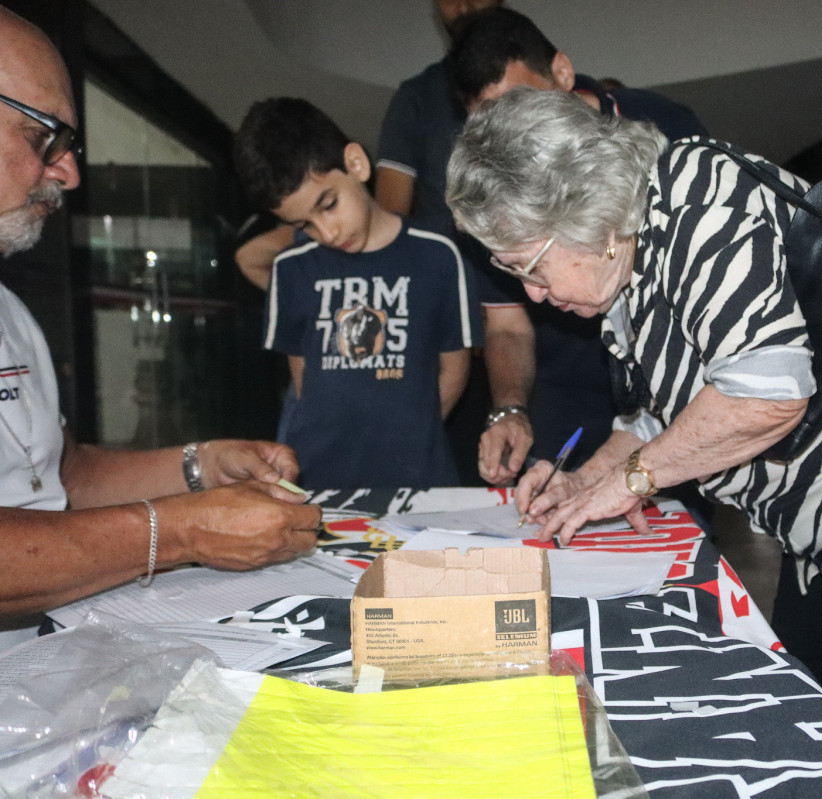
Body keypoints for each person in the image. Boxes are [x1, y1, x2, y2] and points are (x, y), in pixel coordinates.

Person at [446, 88, 822, 799]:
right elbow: (655, 418)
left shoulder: (700, 196)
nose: (533, 293)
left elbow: (766, 393)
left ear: (580, 212)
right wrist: (584, 481)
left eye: (527, 265)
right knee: (813, 719)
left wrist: (631, 482)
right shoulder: (622, 275)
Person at [0, 8, 321, 625]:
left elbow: (64, 474)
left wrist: (201, 466)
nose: (69, 172)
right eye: (44, 138)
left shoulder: (11, 312)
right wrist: (179, 531)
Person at [446, 5, 707, 484]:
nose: (508, 140)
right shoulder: (492, 191)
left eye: (520, 106)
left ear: (562, 73)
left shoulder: (675, 142)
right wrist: (513, 411)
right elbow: (507, 325)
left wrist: (626, 482)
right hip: (570, 392)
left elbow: (757, 391)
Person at [232, 97, 478, 490]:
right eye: (304, 225)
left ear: (356, 164)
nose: (327, 233)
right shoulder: (291, 269)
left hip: (418, 476)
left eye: (328, 205)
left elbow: (454, 369)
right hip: (316, 480)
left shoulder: (438, 254)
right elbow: (304, 379)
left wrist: (411, 431)